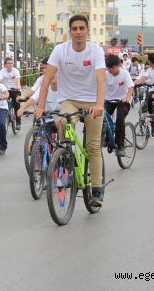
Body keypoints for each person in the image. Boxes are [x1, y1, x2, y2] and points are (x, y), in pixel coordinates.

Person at [35, 14, 107, 207]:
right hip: (69, 100)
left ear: (87, 30)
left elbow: (101, 79)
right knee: (63, 122)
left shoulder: (95, 51)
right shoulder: (60, 50)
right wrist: (41, 106)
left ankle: (97, 190)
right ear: (70, 31)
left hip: (93, 102)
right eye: (74, 29)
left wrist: (100, 104)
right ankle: (65, 157)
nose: (78, 32)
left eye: (81, 28)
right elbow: (47, 79)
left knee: (92, 146)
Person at [104, 55, 134, 157]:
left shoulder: (124, 73)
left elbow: (130, 88)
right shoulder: (105, 74)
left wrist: (127, 98)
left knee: (120, 119)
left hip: (123, 100)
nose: (110, 70)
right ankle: (107, 138)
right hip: (109, 100)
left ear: (118, 66)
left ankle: (120, 146)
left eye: (112, 68)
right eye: (108, 68)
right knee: (102, 117)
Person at [0, 57, 22, 130]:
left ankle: (18, 122)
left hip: (15, 89)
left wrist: (18, 86)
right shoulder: (2, 71)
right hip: (6, 90)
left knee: (16, 104)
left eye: (12, 63)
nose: (10, 65)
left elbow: (17, 80)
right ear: (5, 65)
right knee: (3, 103)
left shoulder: (15, 71)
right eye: (9, 63)